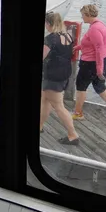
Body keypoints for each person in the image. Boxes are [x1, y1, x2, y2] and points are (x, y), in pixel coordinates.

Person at [72, 4, 106, 124]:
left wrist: (99, 70)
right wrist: (79, 47)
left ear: (88, 15)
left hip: (92, 63)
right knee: (99, 87)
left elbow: (99, 50)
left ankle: (78, 113)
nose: (82, 17)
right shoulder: (100, 25)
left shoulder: (94, 29)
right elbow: (93, 44)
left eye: (82, 15)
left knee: (81, 86)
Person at [41, 12, 80, 144]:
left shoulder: (50, 39)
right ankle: (39, 126)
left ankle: (73, 135)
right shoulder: (67, 36)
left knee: (59, 106)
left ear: (48, 24)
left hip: (52, 76)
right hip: (64, 74)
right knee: (45, 100)